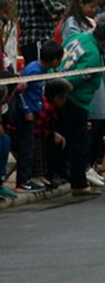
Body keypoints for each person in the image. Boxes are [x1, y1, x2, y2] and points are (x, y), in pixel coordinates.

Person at [57, 15, 105, 196]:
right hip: (73, 99)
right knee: (78, 143)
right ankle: (79, 183)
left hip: (60, 93)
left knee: (66, 140)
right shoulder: (93, 54)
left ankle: (66, 176)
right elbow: (75, 79)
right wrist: (62, 90)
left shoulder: (77, 37)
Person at [15, 40, 64, 193]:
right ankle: (25, 179)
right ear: (55, 60)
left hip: (37, 112)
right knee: (28, 147)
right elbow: (20, 91)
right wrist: (26, 110)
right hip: (27, 115)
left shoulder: (43, 71)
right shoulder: (33, 71)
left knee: (38, 144)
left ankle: (37, 175)